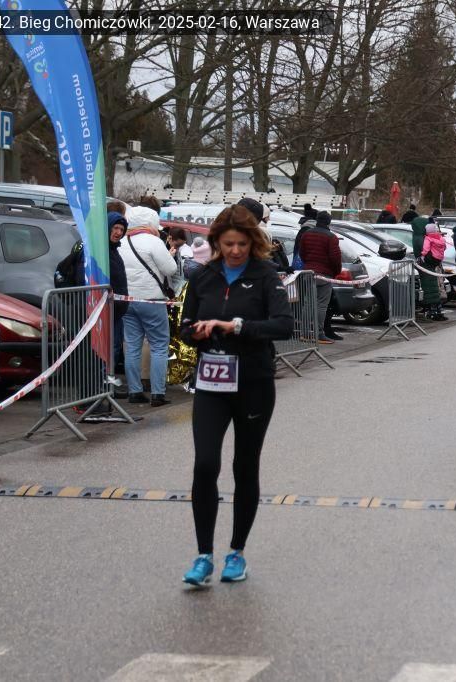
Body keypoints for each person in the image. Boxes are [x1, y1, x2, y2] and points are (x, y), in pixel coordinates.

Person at [179, 205, 293, 586]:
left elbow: (283, 325)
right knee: (205, 465)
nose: (235, 251)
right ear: (216, 242)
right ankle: (203, 556)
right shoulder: (203, 276)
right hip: (212, 383)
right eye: (228, 244)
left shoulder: (266, 275)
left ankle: (236, 553)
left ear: (252, 242)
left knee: (244, 466)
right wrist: (195, 331)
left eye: (242, 244)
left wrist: (237, 326)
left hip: (253, 383)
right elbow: (184, 326)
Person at [118, 206, 178, 406]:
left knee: (132, 346)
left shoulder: (122, 242)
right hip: (152, 300)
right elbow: (170, 269)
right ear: (151, 222)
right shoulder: (154, 242)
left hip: (127, 300)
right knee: (159, 346)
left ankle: (134, 391)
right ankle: (158, 393)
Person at [297, 209, 341, 344]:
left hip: (308, 272)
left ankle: (304, 333)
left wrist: (308, 264)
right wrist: (335, 272)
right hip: (324, 274)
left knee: (307, 304)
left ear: (317, 220)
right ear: (329, 222)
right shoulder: (331, 237)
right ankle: (319, 333)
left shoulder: (306, 234)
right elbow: (335, 258)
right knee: (321, 305)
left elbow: (302, 253)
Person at [108, 212, 130, 387]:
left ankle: (108, 386)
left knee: (114, 349)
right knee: (107, 350)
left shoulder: (114, 250)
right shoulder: (102, 251)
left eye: (121, 229)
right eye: (115, 228)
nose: (118, 232)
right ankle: (103, 387)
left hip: (116, 312)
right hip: (104, 311)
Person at [420, 222, 448, 321]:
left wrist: (423, 255)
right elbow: (444, 246)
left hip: (432, 259)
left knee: (435, 286)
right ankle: (438, 311)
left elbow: (426, 248)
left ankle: (433, 312)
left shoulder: (428, 238)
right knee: (439, 285)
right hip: (439, 259)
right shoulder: (440, 238)